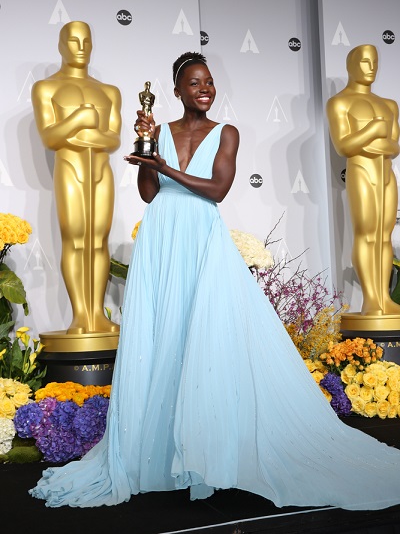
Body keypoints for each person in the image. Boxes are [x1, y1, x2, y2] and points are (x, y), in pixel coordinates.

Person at [30, 51, 400, 509]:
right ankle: (158, 454)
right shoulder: (159, 130)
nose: (205, 88)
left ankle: (206, 450)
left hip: (201, 235)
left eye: (208, 82)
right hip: (163, 236)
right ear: (178, 90)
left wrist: (165, 167)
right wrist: (148, 153)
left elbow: (217, 190)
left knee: (202, 337)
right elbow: (149, 194)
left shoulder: (226, 132)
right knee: (162, 337)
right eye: (194, 82)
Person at [31, 21, 122, 335]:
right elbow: (50, 136)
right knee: (76, 239)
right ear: (60, 45)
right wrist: (79, 120)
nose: (81, 48)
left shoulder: (108, 91)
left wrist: (85, 136)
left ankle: (98, 313)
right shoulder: (46, 88)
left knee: (98, 241)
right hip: (70, 168)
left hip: (100, 170)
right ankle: (80, 316)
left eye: (86, 41)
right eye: (73, 41)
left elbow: (113, 140)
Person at [327, 44, 400, 316]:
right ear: (352, 65)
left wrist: (374, 143)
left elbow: (394, 147)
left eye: (375, 62)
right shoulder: (340, 103)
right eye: (365, 62)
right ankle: (371, 299)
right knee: (367, 233)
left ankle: (384, 297)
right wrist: (374, 130)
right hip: (361, 170)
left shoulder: (389, 104)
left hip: (386, 173)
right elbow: (344, 146)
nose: (371, 68)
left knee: (384, 236)